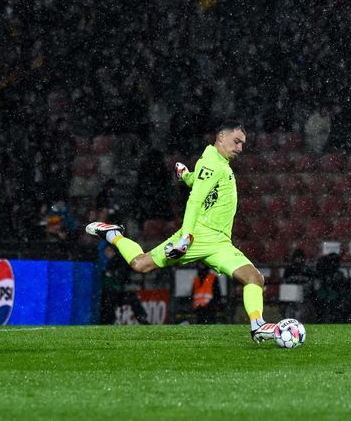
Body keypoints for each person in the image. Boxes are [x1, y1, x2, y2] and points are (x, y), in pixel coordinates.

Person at [86, 121, 276, 342]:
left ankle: (257, 326)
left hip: (220, 242)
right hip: (199, 236)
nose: (240, 148)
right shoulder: (213, 164)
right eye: (237, 142)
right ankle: (114, 234)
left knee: (254, 278)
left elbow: (200, 183)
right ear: (221, 137)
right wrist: (186, 237)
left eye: (242, 144)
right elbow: (194, 201)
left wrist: (186, 176)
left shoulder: (214, 161)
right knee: (140, 264)